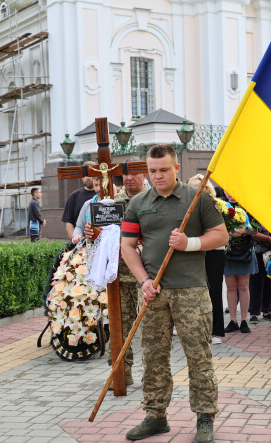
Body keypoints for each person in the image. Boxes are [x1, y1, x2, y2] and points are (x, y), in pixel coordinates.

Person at [120, 145, 228, 442]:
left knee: (198, 356)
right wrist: (143, 281)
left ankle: (205, 418)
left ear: (176, 168)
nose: (158, 176)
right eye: (152, 171)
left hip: (191, 291)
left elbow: (221, 235)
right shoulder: (138, 203)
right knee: (153, 356)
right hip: (154, 292)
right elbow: (127, 245)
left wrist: (189, 244)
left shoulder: (198, 197)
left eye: (164, 170)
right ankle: (155, 416)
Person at [72, 163, 148, 388]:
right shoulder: (111, 202)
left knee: (149, 327)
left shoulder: (154, 199)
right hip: (119, 276)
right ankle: (122, 373)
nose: (129, 178)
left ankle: (152, 375)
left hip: (147, 274)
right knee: (120, 326)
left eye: (134, 173)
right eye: (125, 173)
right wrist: (92, 234)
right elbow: (102, 236)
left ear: (144, 174)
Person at [188, 175, 226, 345]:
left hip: (214, 252)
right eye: (196, 189)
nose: (200, 193)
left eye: (203, 189)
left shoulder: (215, 205)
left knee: (215, 290)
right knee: (193, 291)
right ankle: (194, 329)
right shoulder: (186, 208)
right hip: (193, 252)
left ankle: (216, 331)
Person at [223, 193, 257, 334]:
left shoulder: (248, 206)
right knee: (230, 287)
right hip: (228, 251)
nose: (230, 194)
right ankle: (233, 321)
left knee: (243, 286)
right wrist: (228, 232)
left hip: (245, 251)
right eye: (227, 190)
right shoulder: (222, 206)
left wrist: (243, 231)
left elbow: (255, 230)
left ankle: (243, 320)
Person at [61, 160, 97, 239]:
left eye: (90, 174)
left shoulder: (103, 195)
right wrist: (75, 242)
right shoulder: (74, 196)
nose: (88, 177)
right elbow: (69, 221)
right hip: (81, 242)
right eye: (85, 174)